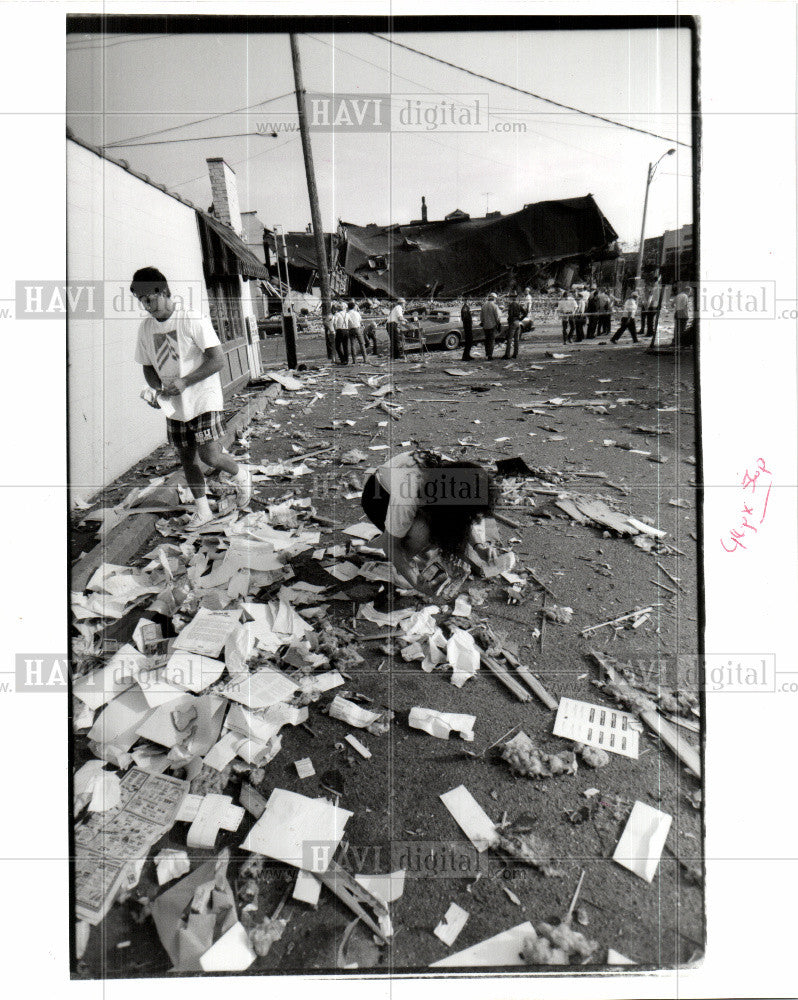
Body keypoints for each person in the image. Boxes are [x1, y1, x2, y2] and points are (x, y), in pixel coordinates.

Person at [131, 266, 250, 529]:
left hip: (203, 398)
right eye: (141, 301)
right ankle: (203, 510)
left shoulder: (191, 318)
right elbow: (149, 367)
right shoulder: (145, 329)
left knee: (209, 456)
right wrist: (156, 392)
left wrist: (185, 381)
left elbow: (217, 360)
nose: (147, 306)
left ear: (162, 291)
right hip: (175, 404)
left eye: (149, 299)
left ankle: (241, 474)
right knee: (187, 460)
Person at [360, 450, 497, 597]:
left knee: (443, 529)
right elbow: (391, 546)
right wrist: (417, 583)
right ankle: (399, 569)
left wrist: (479, 547)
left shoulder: (458, 475)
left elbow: (463, 517)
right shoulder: (409, 492)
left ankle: (396, 539)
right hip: (378, 496)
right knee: (423, 532)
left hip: (415, 493)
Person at [480, 292, 502, 360]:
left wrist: (483, 322)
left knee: (486, 340)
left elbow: (481, 316)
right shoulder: (494, 306)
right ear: (494, 298)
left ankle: (487, 353)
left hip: (485, 326)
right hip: (492, 325)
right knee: (492, 340)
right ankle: (490, 355)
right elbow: (497, 316)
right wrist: (498, 324)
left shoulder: (484, 306)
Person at [504, 290, 524, 359]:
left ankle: (507, 354)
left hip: (513, 322)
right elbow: (525, 312)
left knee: (509, 339)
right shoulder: (518, 305)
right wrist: (521, 318)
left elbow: (510, 314)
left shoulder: (511, 305)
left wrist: (509, 321)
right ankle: (515, 354)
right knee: (516, 339)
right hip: (518, 322)